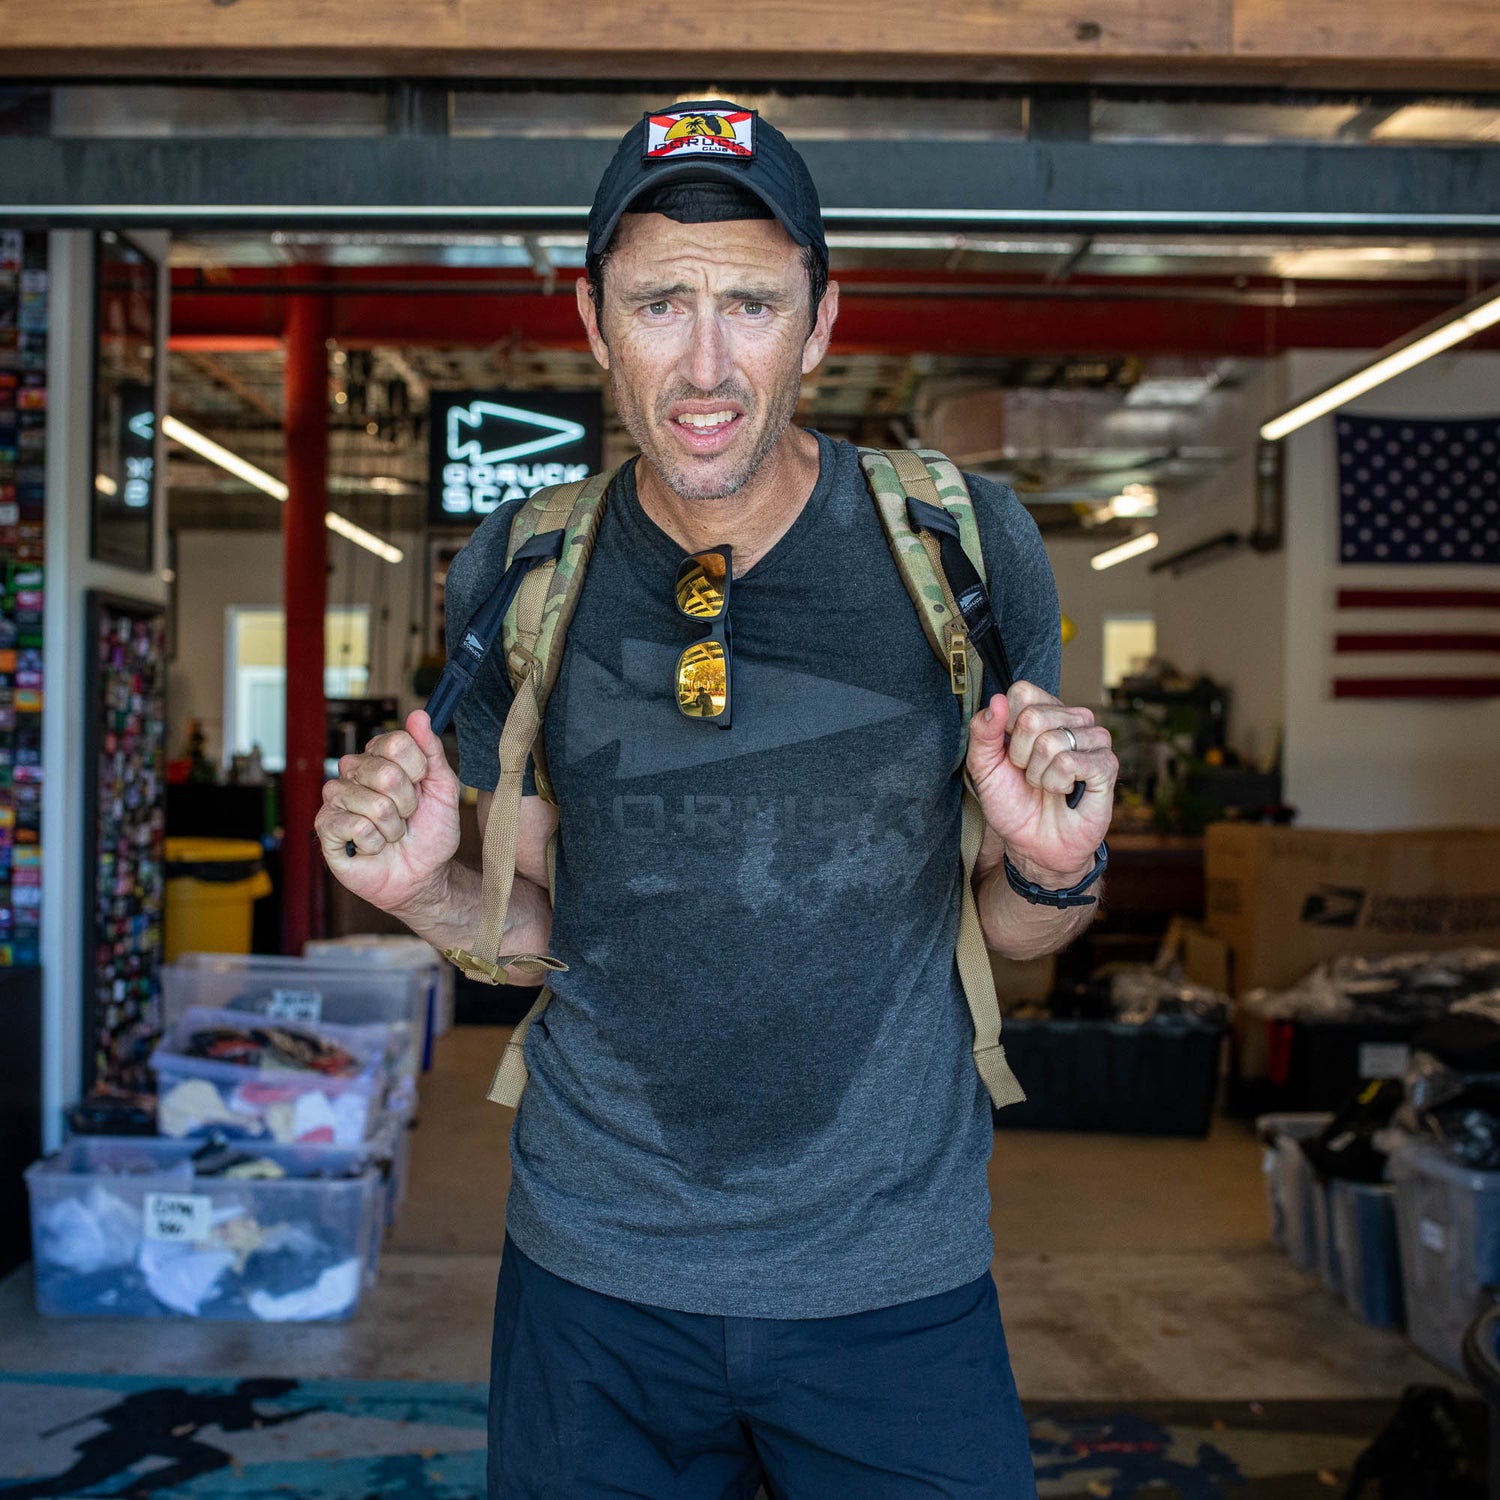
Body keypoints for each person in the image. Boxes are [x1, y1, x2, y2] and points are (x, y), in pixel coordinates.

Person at [317, 100, 1118, 1499]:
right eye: (658, 303)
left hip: (893, 1273)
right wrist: (425, 888)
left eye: (750, 303)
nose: (704, 364)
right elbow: (545, 937)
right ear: (590, 318)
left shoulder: (964, 546)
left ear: (819, 322)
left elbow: (1023, 933)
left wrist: (1056, 865)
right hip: (598, 1273)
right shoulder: (519, 568)